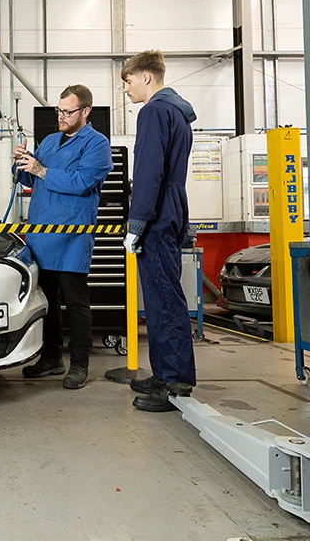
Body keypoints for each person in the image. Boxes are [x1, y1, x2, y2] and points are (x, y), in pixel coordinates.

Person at [14, 85, 113, 389]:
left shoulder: (96, 143)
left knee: (76, 302)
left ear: (85, 112)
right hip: (41, 237)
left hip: (70, 236)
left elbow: (83, 182)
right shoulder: (50, 141)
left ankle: (79, 364)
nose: (61, 116)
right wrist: (21, 163)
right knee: (46, 303)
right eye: (59, 110)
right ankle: (52, 357)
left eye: (68, 111)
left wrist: (40, 170)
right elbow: (30, 178)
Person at [120, 50, 198, 412]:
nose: (127, 89)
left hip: (156, 211)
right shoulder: (179, 115)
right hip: (173, 206)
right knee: (164, 296)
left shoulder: (153, 111)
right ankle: (165, 371)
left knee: (163, 299)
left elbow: (149, 173)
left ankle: (175, 381)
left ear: (146, 77)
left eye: (129, 81)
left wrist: (136, 225)